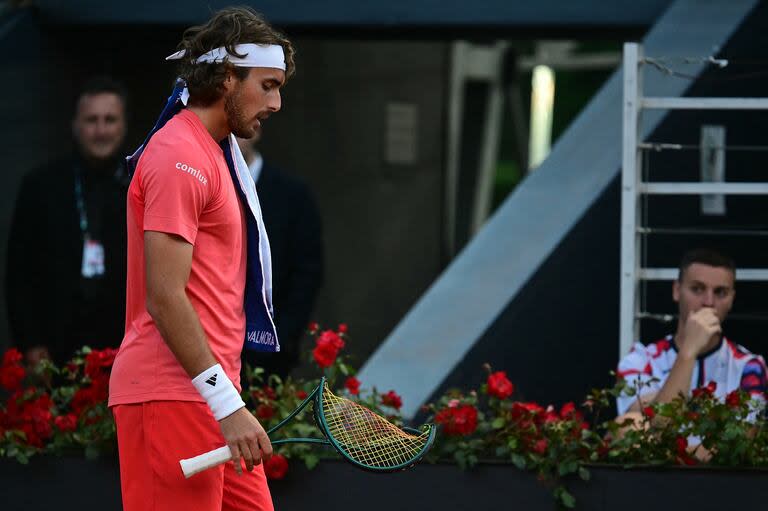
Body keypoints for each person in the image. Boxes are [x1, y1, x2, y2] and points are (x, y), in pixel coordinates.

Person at [107, 7, 295, 511]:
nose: (277, 103)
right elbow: (166, 297)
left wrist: (224, 401)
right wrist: (225, 402)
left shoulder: (213, 151)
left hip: (205, 396)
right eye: (269, 85)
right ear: (228, 78)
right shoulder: (178, 155)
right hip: (172, 397)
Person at [6, 76, 128, 365]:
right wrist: (30, 342)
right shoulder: (40, 185)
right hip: (57, 346)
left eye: (110, 120)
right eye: (91, 120)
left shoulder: (142, 183)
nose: (101, 130)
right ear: (75, 125)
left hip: (126, 348)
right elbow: (19, 272)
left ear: (123, 126)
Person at [616, 248, 767, 417]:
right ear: (676, 290)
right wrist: (688, 352)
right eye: (697, 289)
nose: (708, 302)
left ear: (732, 298)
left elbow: (745, 440)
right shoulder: (640, 360)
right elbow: (653, 430)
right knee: (630, 423)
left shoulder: (749, 366)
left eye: (720, 292)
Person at [237, 130, 323, 380]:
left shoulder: (294, 195)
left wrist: (279, 339)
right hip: (206, 353)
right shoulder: (202, 185)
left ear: (255, 127)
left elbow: (306, 276)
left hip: (269, 359)